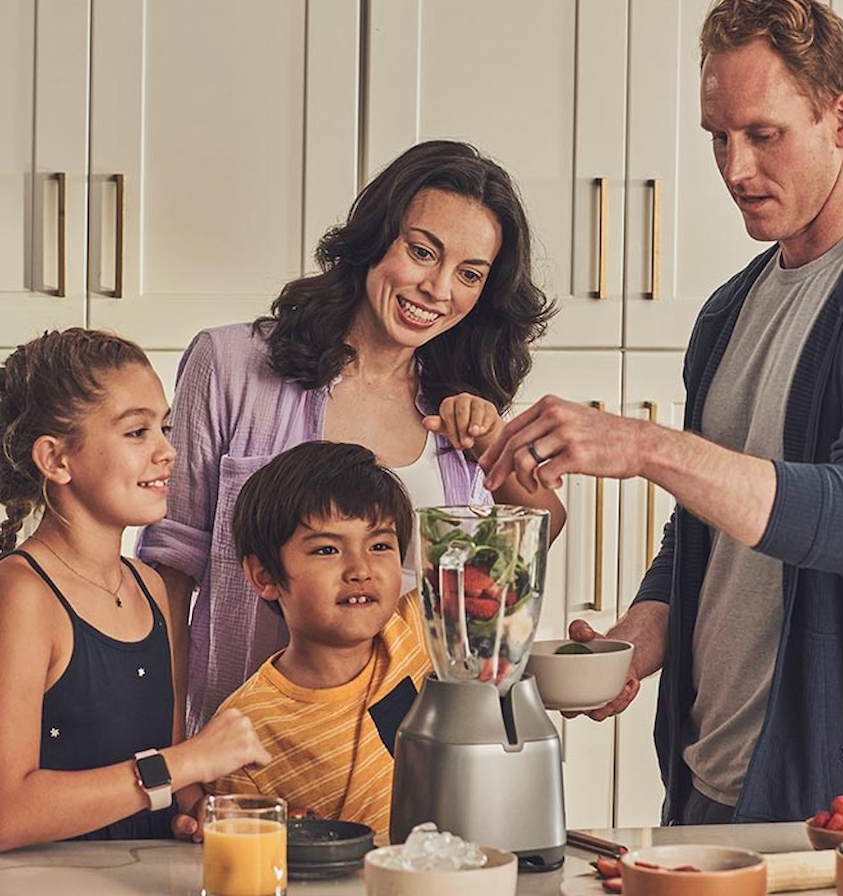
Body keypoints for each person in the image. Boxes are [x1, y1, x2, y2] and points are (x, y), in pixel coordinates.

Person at [480, 0, 843, 828]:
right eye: (718, 137)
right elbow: (704, 527)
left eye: (764, 135)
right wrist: (637, 640)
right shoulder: (728, 311)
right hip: (706, 777)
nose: (735, 170)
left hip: (834, 798)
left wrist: (646, 446)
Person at [137, 140, 565, 735]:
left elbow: (523, 548)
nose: (438, 289)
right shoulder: (231, 364)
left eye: (469, 274)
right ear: (374, 238)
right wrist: (171, 744)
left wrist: (498, 452)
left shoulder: (461, 405)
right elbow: (170, 571)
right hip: (245, 743)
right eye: (422, 252)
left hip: (413, 747)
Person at [0, 329, 270, 851]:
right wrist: (185, 761)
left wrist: (201, 810)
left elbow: (165, 775)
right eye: (136, 433)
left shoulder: (151, 587)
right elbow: (5, 810)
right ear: (56, 460)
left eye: (164, 428)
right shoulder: (22, 595)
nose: (167, 451)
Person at [206, 441, 429, 833]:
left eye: (380, 545)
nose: (360, 569)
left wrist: (493, 445)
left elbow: (515, 563)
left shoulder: (424, 630)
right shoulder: (244, 731)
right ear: (265, 577)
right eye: (327, 550)